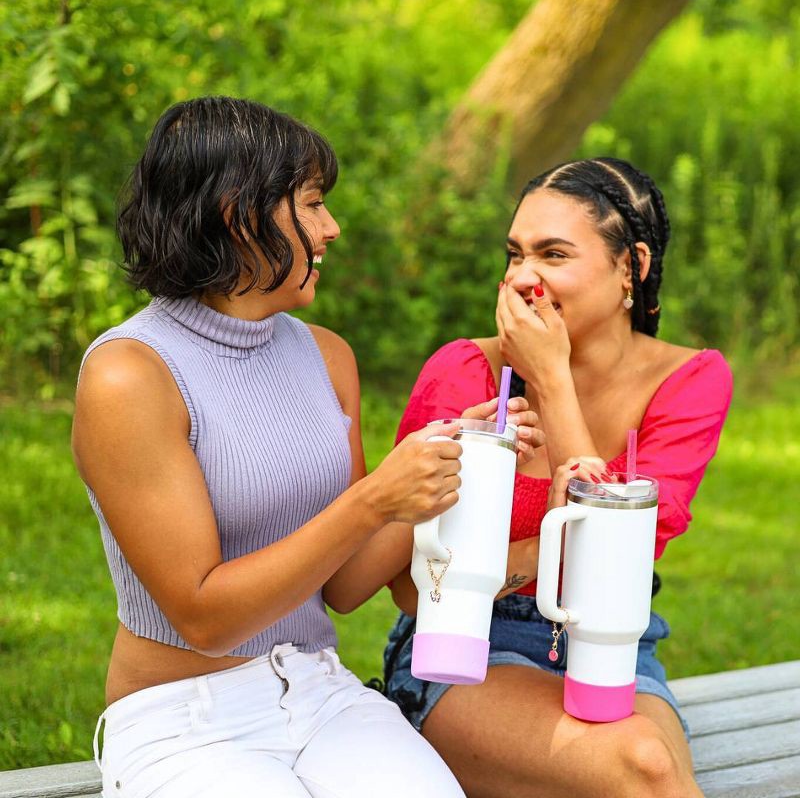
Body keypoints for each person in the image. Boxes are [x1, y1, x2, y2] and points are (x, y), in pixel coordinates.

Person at [72, 97, 542, 798]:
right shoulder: (130, 375)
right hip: (183, 718)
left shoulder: (326, 356)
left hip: (320, 694)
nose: (333, 228)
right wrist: (375, 496)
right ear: (238, 213)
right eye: (315, 203)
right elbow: (205, 616)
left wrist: (450, 465)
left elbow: (346, 587)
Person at [383, 157, 733, 798]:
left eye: (553, 254)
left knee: (655, 768)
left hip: (615, 643)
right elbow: (409, 587)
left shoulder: (689, 382)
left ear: (633, 266)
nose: (522, 279)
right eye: (514, 254)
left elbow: (607, 583)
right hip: (464, 647)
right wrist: (521, 565)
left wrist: (553, 381)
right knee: (642, 770)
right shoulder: (467, 374)